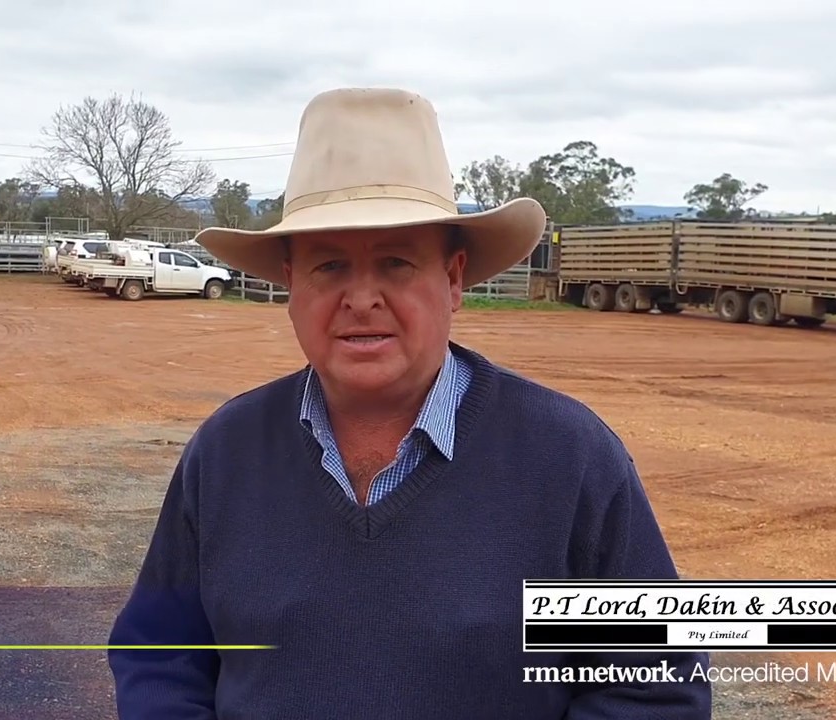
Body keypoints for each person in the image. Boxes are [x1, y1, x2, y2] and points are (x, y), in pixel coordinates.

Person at [108, 87, 712, 719]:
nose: (361, 297)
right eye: (330, 265)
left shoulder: (569, 457)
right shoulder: (228, 451)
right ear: (290, 283)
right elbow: (160, 656)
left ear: (452, 280)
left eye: (395, 263)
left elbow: (654, 690)